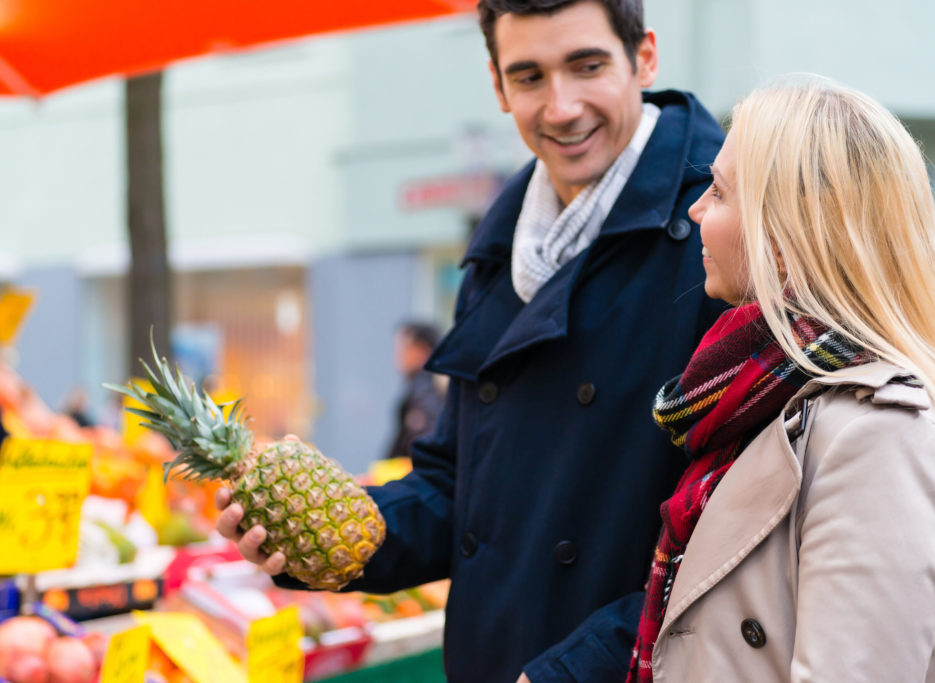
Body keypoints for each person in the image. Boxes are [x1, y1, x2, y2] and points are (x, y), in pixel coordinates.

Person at [217, 1, 726, 680]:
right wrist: (329, 531)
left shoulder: (717, 228)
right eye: (529, 77)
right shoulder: (502, 245)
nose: (562, 107)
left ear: (645, 57)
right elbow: (455, 490)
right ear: (497, 85)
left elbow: (733, 543)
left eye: (587, 66)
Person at [628, 77, 935, 682]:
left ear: (783, 236)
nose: (696, 209)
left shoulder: (879, 436)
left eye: (720, 191)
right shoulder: (769, 399)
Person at [385, 321, 445, 460]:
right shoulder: (429, 387)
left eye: (402, 349)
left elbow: (424, 452)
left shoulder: (427, 392)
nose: (397, 357)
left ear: (420, 350)